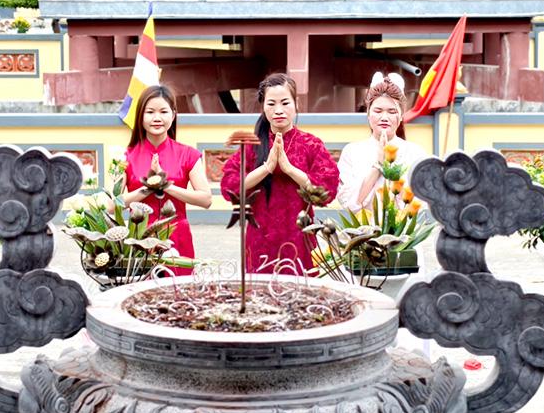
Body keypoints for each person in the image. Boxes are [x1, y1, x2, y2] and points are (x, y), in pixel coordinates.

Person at [220, 73, 339, 274]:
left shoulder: (311, 144)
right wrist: (266, 168)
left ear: (296, 103)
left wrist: (290, 169)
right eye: (271, 104)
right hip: (260, 239)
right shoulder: (252, 144)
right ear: (263, 106)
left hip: (299, 237)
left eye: (285, 103)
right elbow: (230, 185)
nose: (278, 111)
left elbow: (326, 190)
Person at [123, 85, 212, 276]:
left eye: (163, 111)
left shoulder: (188, 155)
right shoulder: (126, 156)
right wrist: (147, 188)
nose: (157, 118)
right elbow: (111, 205)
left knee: (177, 298)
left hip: (177, 239)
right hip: (138, 241)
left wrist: (166, 185)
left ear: (173, 115)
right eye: (150, 112)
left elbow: (206, 199)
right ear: (140, 116)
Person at [337, 72, 430, 213]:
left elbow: (420, 203)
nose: (384, 117)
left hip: (405, 233)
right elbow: (350, 203)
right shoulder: (352, 151)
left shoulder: (415, 153)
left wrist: (390, 169)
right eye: (378, 111)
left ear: (400, 116)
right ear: (368, 114)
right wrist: (378, 165)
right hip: (364, 232)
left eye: (392, 112)